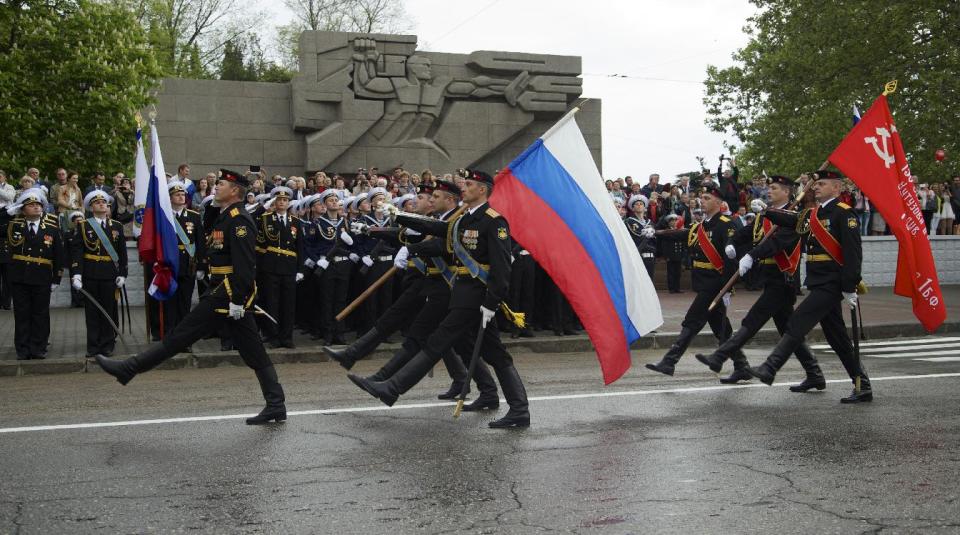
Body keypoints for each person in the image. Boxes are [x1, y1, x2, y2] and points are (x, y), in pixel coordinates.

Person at [97, 169, 288, 425]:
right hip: (223, 291)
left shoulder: (239, 220)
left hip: (226, 294)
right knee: (254, 351)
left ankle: (129, 369)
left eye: (220, 184)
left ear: (234, 191)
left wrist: (236, 301)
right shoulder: (223, 216)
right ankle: (276, 404)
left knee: (180, 335)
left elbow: (244, 267)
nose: (215, 187)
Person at [348, 169, 531, 429]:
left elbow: (502, 268)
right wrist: (398, 215)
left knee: (437, 341)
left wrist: (492, 302)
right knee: (493, 353)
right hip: (463, 293)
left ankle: (392, 388)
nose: (463, 188)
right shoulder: (463, 221)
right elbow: (436, 228)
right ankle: (513, 406)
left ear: (483, 190)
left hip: (477, 296)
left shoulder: (494, 221)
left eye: (468, 184)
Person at [743, 171, 871, 403]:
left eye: (822, 184)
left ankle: (770, 368)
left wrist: (850, 285)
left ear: (837, 187)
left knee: (798, 320)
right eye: (816, 184)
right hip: (818, 281)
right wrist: (766, 211)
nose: (816, 188)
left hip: (832, 282)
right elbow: (792, 220)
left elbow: (853, 253)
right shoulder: (814, 213)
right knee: (837, 337)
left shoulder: (844, 213)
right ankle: (862, 384)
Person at [694, 175, 825, 387]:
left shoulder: (794, 217)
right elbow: (744, 233)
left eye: (774, 188)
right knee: (789, 330)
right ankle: (814, 373)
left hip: (783, 280)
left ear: (787, 192)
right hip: (770, 278)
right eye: (768, 188)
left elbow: (776, 244)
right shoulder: (765, 217)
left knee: (753, 320)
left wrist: (751, 255)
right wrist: (731, 244)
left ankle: (720, 356)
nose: (769, 191)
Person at [646, 184, 738, 376]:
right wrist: (657, 232)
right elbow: (682, 234)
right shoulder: (700, 226)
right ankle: (742, 367)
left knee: (692, 321)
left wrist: (729, 286)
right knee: (720, 326)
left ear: (719, 203)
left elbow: (731, 257)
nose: (702, 201)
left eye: (707, 198)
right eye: (701, 198)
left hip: (715, 283)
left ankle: (669, 361)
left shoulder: (725, 223)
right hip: (703, 281)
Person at [6, 190, 65, 359]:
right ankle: (23, 349)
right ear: (23, 210)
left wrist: (57, 278)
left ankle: (38, 347)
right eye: (31, 205)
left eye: (38, 205)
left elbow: (58, 255)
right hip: (20, 277)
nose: (36, 207)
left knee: (40, 314)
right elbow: (9, 252)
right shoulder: (14, 226)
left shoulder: (51, 229)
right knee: (22, 314)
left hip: (42, 276)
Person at [71, 190, 127, 358]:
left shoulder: (116, 226)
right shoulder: (83, 226)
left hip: (110, 274)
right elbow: (77, 252)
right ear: (91, 207)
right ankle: (93, 345)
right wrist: (76, 274)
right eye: (98, 203)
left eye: (105, 202)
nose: (102, 204)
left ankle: (107, 344)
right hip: (91, 273)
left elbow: (122, 253)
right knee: (92, 312)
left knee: (109, 311)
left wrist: (123, 273)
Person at [255, 186, 305, 348]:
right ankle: (273, 336)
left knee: (288, 304)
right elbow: (259, 244)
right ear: (274, 202)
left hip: (289, 267)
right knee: (271, 303)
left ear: (289, 202)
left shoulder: (296, 222)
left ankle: (287, 337)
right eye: (279, 200)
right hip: (271, 266)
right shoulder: (265, 219)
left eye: (285, 200)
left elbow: (300, 248)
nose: (282, 203)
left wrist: (300, 270)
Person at [164, 181, 206, 333]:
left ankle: (183, 337)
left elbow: (200, 242)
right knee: (170, 302)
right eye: (177, 195)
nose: (181, 197)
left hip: (188, 265)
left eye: (183, 195)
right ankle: (170, 335)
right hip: (169, 264)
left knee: (185, 302)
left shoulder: (194, 217)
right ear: (170, 198)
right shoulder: (165, 216)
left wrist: (202, 266)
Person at [625, 194, 656, 278]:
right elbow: (636, 235)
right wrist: (647, 233)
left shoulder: (650, 222)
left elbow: (654, 237)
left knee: (650, 277)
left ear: (645, 208)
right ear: (633, 208)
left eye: (641, 204)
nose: (639, 205)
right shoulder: (629, 221)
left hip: (650, 253)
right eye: (636, 204)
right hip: (637, 252)